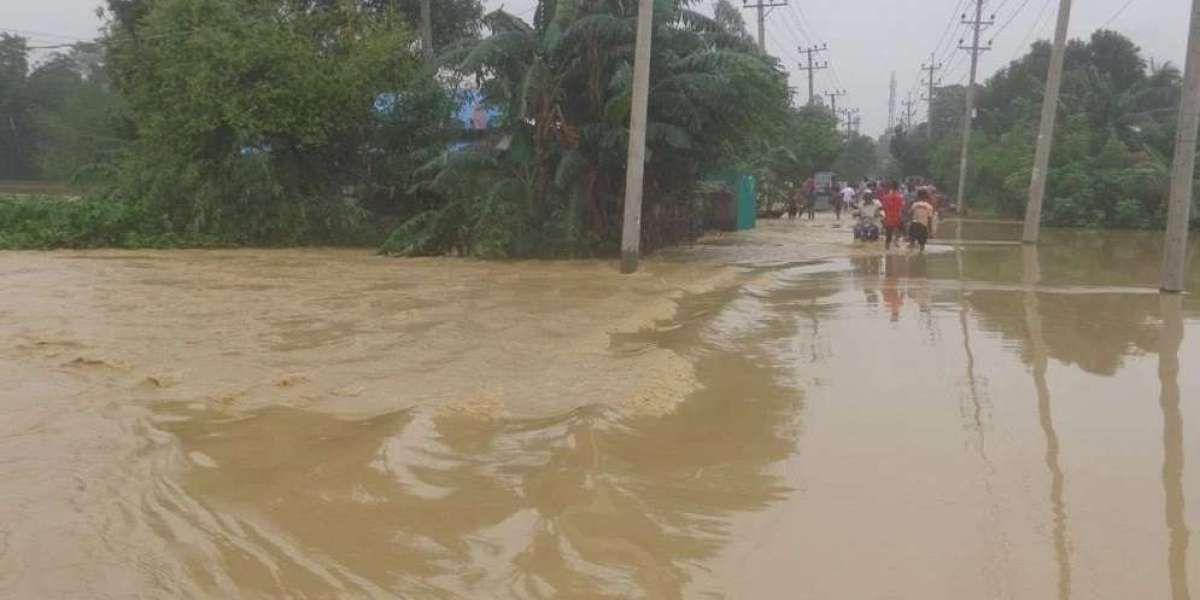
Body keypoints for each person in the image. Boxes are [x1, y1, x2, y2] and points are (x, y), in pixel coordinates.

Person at [879, 180, 906, 250]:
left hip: (888, 219)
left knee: (888, 237)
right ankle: (897, 240)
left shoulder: (885, 197)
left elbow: (883, 208)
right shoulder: (900, 197)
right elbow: (902, 208)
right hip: (897, 218)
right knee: (904, 232)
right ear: (898, 187)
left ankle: (887, 250)